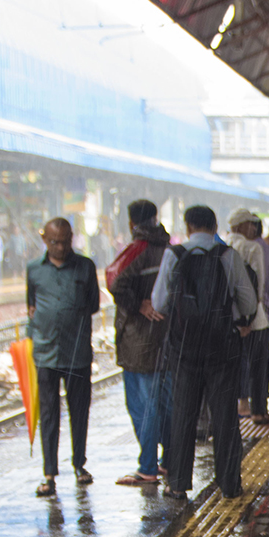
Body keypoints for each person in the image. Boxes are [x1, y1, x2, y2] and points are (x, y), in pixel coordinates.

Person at [150, 204, 257, 501]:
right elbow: (249, 303)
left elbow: (158, 303)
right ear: (214, 226)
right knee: (224, 417)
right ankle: (229, 483)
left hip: (184, 349)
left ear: (187, 227)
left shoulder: (174, 254)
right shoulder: (227, 256)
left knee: (183, 414)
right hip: (222, 349)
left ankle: (178, 482)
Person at [26, 217, 100, 498]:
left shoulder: (85, 266)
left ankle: (79, 464)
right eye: (55, 242)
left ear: (72, 238)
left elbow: (93, 304)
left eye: (66, 241)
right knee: (48, 414)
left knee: (79, 410)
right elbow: (31, 305)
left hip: (77, 352)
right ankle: (49, 473)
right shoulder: (34, 270)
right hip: (45, 352)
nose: (60, 247)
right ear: (45, 240)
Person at [108, 199, 171, 485]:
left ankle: (147, 467)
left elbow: (114, 281)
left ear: (132, 223)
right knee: (162, 402)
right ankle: (168, 459)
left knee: (141, 405)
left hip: (138, 339)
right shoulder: (169, 249)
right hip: (165, 336)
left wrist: (137, 304)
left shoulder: (138, 249)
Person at [225, 208, 269, 425]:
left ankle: (238, 407)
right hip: (255, 318)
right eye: (249, 224)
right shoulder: (253, 247)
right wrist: (252, 314)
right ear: (239, 226)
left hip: (232, 317)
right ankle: (259, 410)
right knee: (260, 365)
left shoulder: (225, 246)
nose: (253, 228)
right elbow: (259, 286)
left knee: (237, 364)